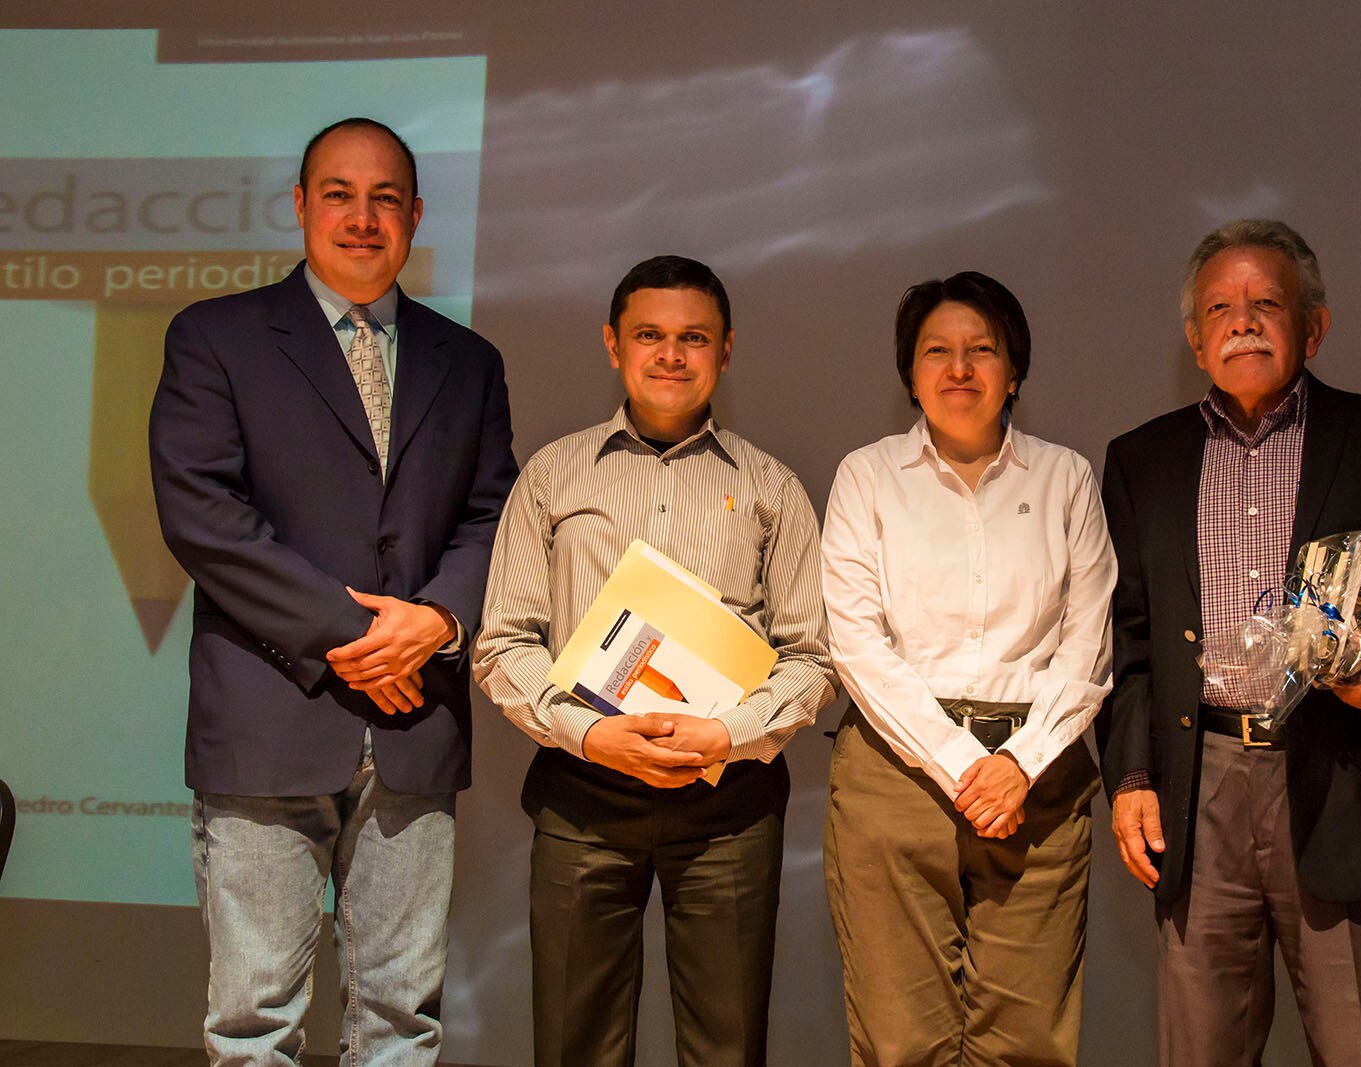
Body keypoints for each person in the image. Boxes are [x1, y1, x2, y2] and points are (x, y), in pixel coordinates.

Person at [1097, 219, 1361, 1067]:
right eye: (1220, 307)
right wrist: (1134, 775)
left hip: (1354, 783)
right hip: (1199, 794)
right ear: (1194, 339)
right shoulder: (1141, 460)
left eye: (1268, 302)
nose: (1243, 321)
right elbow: (1132, 640)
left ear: (1314, 326)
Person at [149, 117, 518, 1064]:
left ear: (416, 215)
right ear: (303, 206)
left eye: (386, 197)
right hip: (268, 718)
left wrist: (435, 621)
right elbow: (204, 516)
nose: (363, 217)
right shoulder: (216, 338)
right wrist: (359, 634)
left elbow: (492, 516)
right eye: (340, 195)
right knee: (255, 1022)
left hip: (414, 725)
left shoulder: (467, 362)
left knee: (402, 1018)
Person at [472, 255, 835, 1067]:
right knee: (576, 1044)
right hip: (582, 795)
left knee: (727, 1046)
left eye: (693, 337)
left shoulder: (774, 488)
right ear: (612, 344)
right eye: (650, 335)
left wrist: (728, 734)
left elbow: (812, 656)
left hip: (730, 802)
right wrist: (590, 736)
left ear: (726, 350)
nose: (671, 354)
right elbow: (502, 643)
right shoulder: (551, 477)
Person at [820, 272, 1115, 1065]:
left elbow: (1088, 643)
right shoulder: (867, 476)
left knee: (1027, 1041)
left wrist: (1017, 763)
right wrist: (961, 763)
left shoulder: (1067, 478)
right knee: (901, 1037)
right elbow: (855, 642)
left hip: (1040, 780)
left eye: (981, 351)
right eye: (936, 352)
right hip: (896, 774)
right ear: (909, 375)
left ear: (1013, 370)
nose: (959, 369)